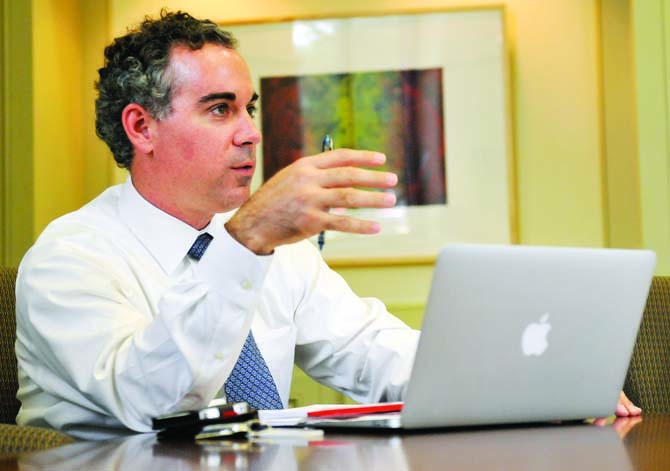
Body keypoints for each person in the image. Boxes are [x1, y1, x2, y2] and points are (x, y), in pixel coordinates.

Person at [14, 10, 639, 438]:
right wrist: (246, 240)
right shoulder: (69, 259)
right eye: (219, 109)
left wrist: (528, 386)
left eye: (248, 107)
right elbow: (153, 405)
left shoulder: (272, 248)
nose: (251, 132)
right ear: (141, 127)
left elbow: (369, 350)